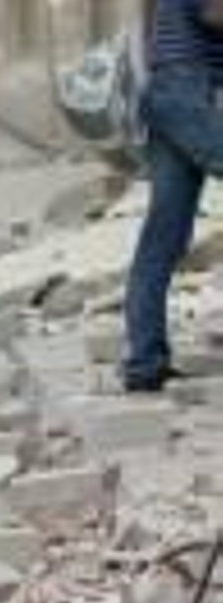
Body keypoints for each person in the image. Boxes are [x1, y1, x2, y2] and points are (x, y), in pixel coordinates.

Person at [123, 0, 223, 393]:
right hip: (187, 91)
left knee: (162, 239)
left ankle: (144, 365)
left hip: (168, 92)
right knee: (162, 238)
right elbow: (215, 13)